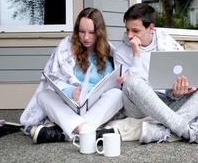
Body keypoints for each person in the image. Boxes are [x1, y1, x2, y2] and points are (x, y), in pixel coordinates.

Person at [113, 3, 198, 144]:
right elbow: (129, 88)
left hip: (169, 103)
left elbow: (184, 70)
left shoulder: (165, 41)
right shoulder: (121, 52)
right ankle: (189, 132)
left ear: (151, 28)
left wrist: (179, 91)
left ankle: (161, 131)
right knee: (132, 83)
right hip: (140, 107)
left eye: (135, 31)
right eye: (127, 30)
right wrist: (136, 54)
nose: (130, 35)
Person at [20, 7, 122, 143]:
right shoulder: (66, 50)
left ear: (99, 32)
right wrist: (71, 91)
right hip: (69, 106)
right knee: (43, 96)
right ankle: (86, 131)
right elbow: (56, 79)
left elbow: (110, 85)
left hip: (95, 107)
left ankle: (68, 132)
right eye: (82, 31)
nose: (86, 37)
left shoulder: (108, 54)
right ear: (76, 31)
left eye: (91, 32)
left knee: (118, 94)